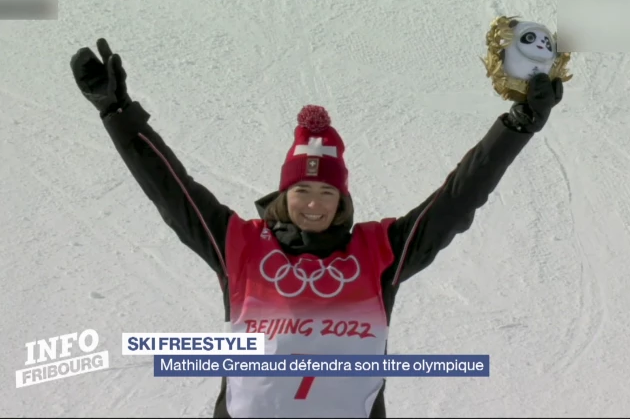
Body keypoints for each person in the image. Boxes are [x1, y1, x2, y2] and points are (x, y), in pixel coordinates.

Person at [70, 38, 563, 418]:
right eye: (302, 192)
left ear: (343, 201)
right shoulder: (239, 246)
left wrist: (517, 125)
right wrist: (117, 113)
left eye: (327, 193)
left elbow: (457, 198)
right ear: (284, 196)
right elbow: (171, 188)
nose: (313, 204)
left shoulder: (379, 252)